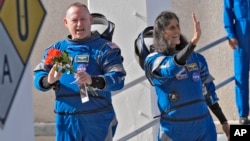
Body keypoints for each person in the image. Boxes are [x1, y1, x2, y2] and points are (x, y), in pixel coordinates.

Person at [33, 2, 126, 141]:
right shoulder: (57, 49)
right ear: (66, 22)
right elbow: (38, 77)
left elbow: (118, 78)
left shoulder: (105, 49)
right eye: (74, 20)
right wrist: (49, 81)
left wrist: (93, 80)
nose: (79, 24)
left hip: (97, 122)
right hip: (66, 122)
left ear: (91, 20)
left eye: (83, 19)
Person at [134, 25, 230, 140]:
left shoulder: (158, 67)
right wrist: (223, 121)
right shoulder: (197, 59)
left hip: (175, 129)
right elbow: (208, 93)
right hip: (205, 128)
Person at [223, 0, 250, 124]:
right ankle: (243, 115)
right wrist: (231, 34)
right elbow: (227, 10)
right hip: (241, 34)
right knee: (241, 76)